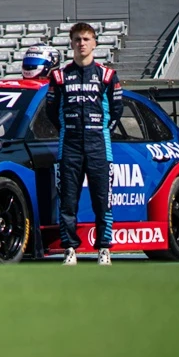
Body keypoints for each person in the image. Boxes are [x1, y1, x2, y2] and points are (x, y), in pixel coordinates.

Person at [45, 23, 123, 267]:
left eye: (86, 39)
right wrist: (68, 131)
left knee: (103, 199)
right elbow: (51, 111)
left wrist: (99, 132)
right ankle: (70, 249)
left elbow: (117, 110)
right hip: (69, 146)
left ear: (95, 43)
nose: (82, 43)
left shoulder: (107, 75)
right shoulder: (58, 76)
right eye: (77, 39)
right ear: (71, 43)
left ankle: (104, 249)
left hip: (100, 145)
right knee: (68, 200)